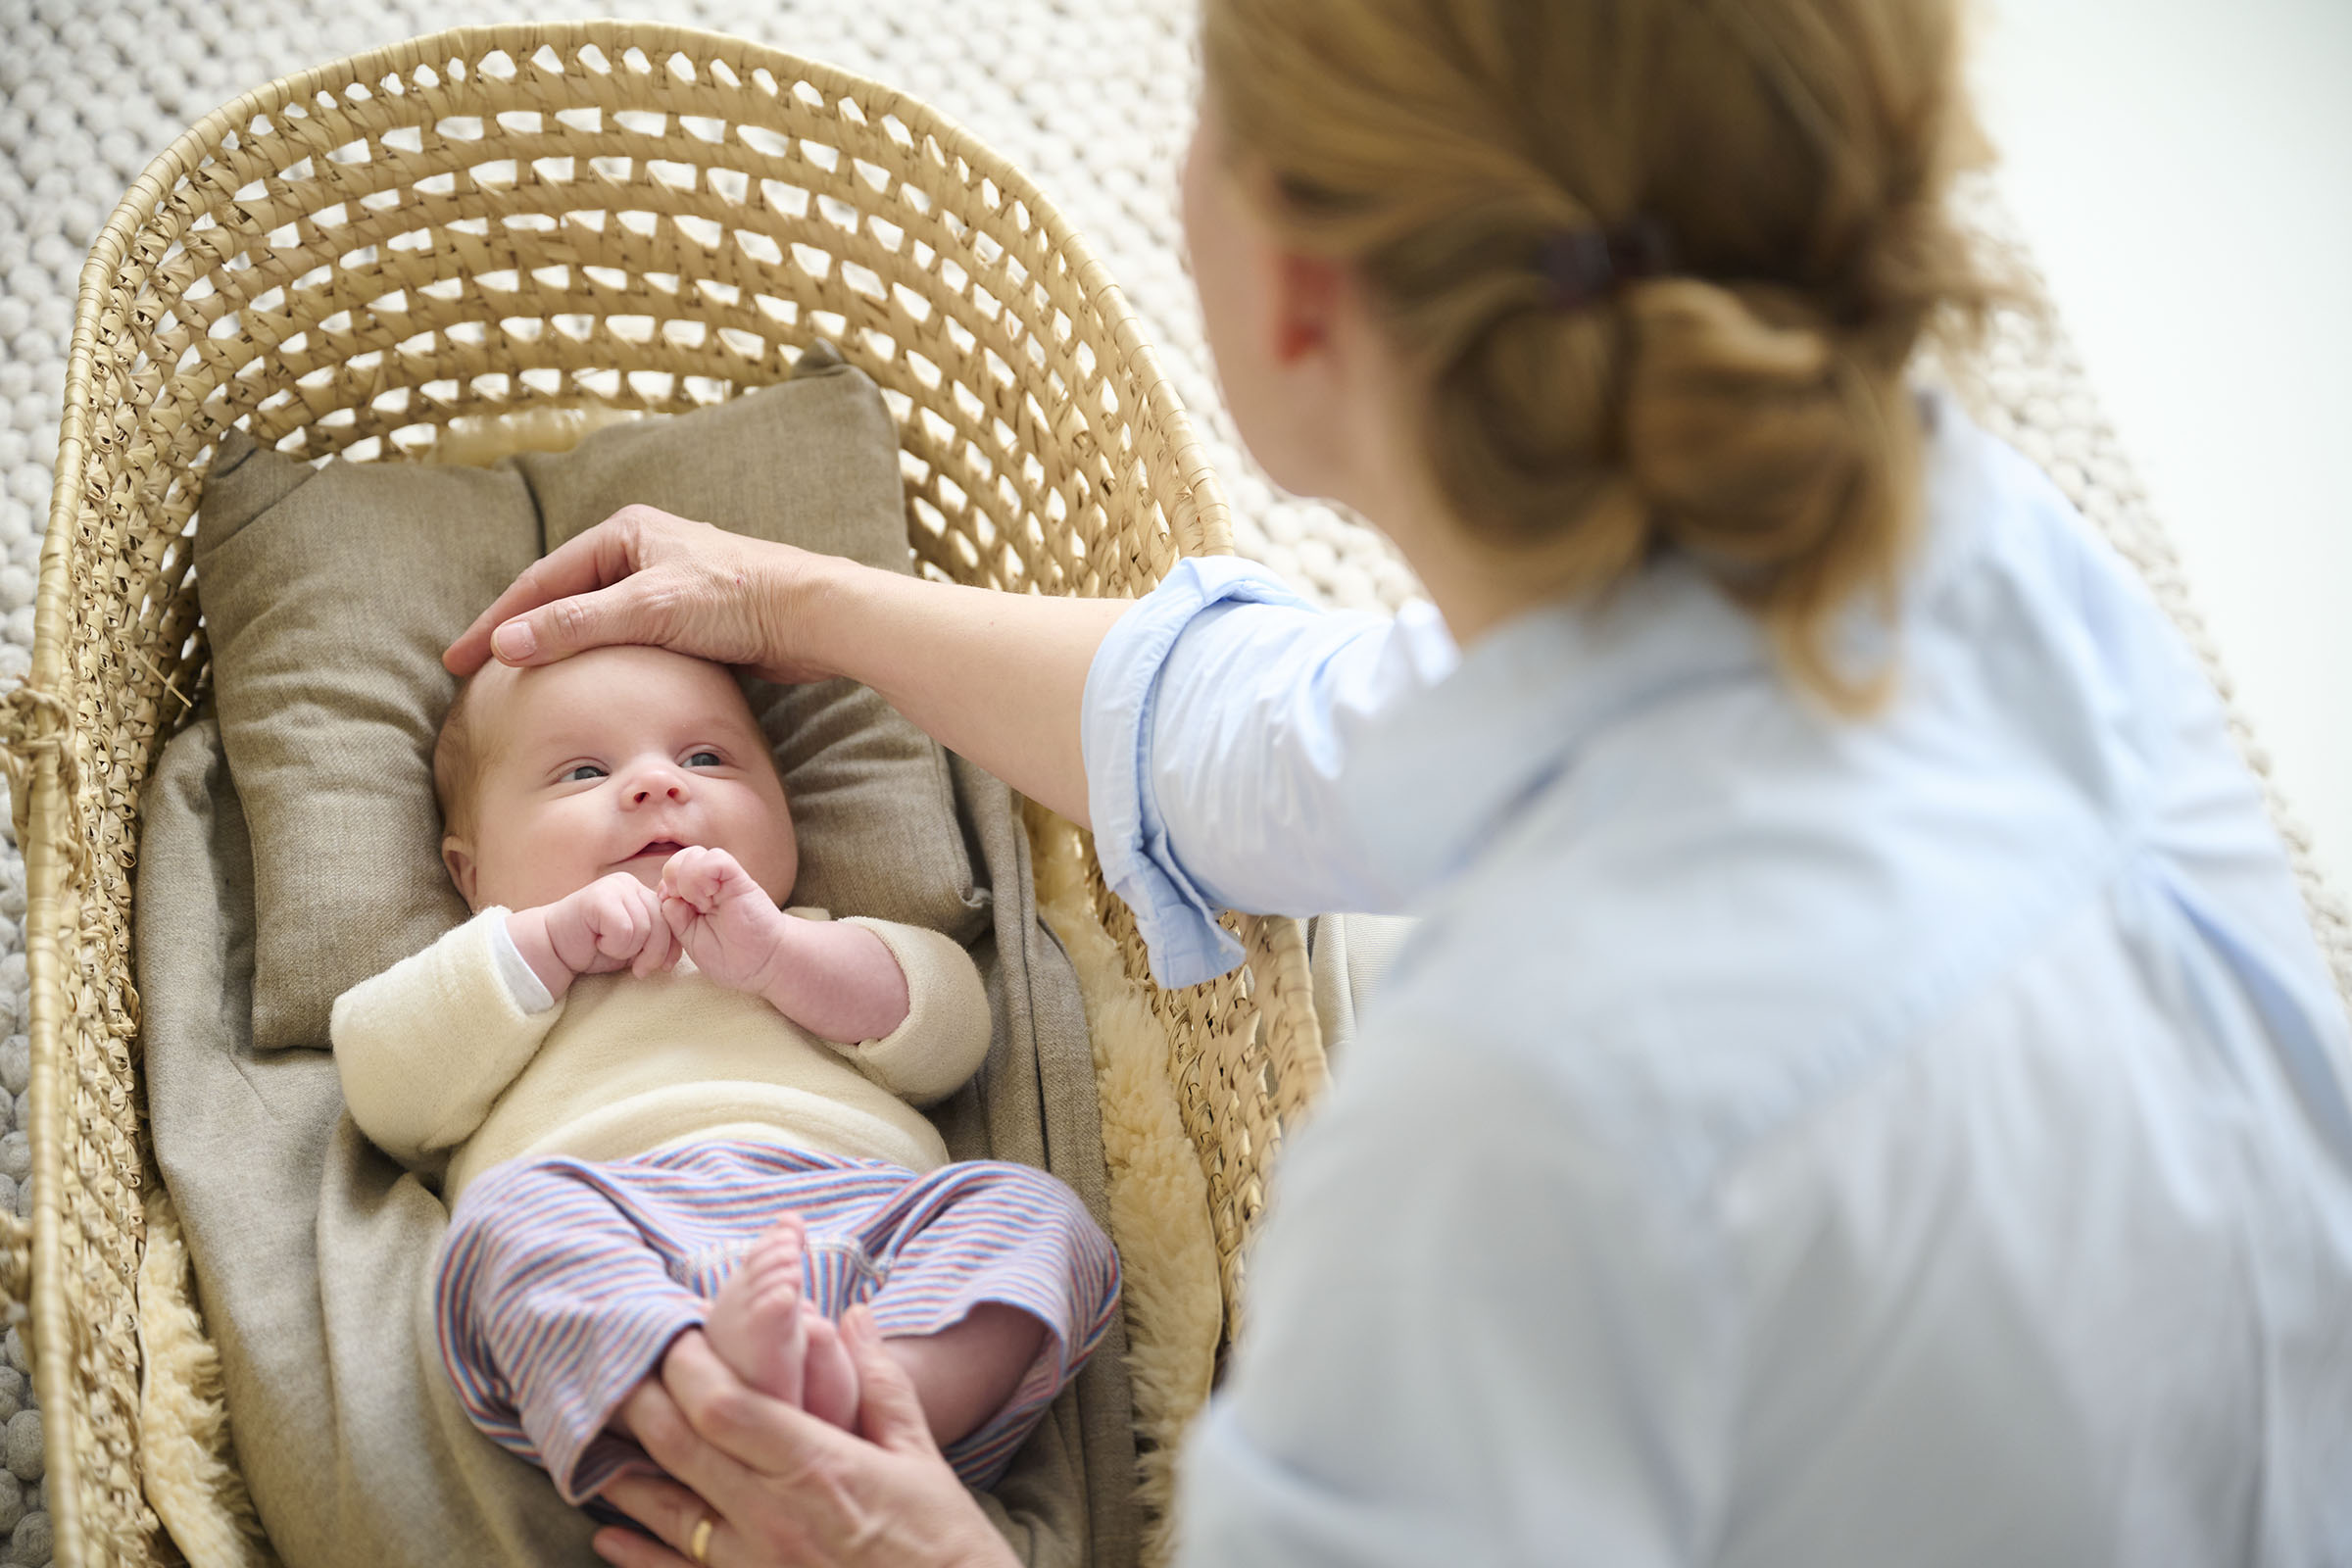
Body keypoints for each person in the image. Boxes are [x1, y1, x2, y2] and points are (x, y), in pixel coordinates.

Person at [446, 0, 2352, 1562]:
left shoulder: (1510, 1132)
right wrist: (798, 598)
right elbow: (1279, 727)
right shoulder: (1975, 541)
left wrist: (909, 1547)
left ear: (1294, 297)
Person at [331, 643, 1120, 1513]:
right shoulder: (494, 978)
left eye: (705, 758)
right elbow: (384, 1089)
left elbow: (954, 1032)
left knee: (1035, 1212)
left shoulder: (809, 940)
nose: (657, 785)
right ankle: (691, 1379)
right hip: (622, 1243)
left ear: (784, 813)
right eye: (583, 772)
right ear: (470, 871)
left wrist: (784, 958)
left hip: (868, 1240)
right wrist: (543, 946)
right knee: (505, 1223)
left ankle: (887, 1395)